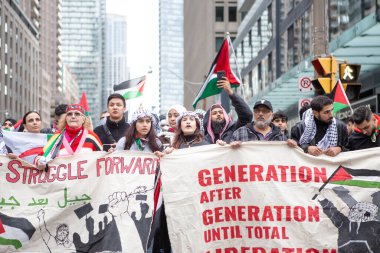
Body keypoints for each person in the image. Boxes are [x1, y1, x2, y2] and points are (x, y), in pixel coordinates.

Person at [35, 104, 102, 170]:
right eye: (69, 114)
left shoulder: (92, 137)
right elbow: (39, 157)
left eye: (77, 114)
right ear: (66, 119)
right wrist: (39, 162)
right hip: (61, 180)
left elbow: (103, 159)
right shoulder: (57, 137)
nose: (73, 116)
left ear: (83, 119)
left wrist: (110, 153)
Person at [203, 77, 253, 144]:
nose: (218, 114)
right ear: (209, 119)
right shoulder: (204, 139)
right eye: (214, 113)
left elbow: (247, 115)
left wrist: (231, 92)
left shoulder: (235, 129)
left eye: (221, 112)